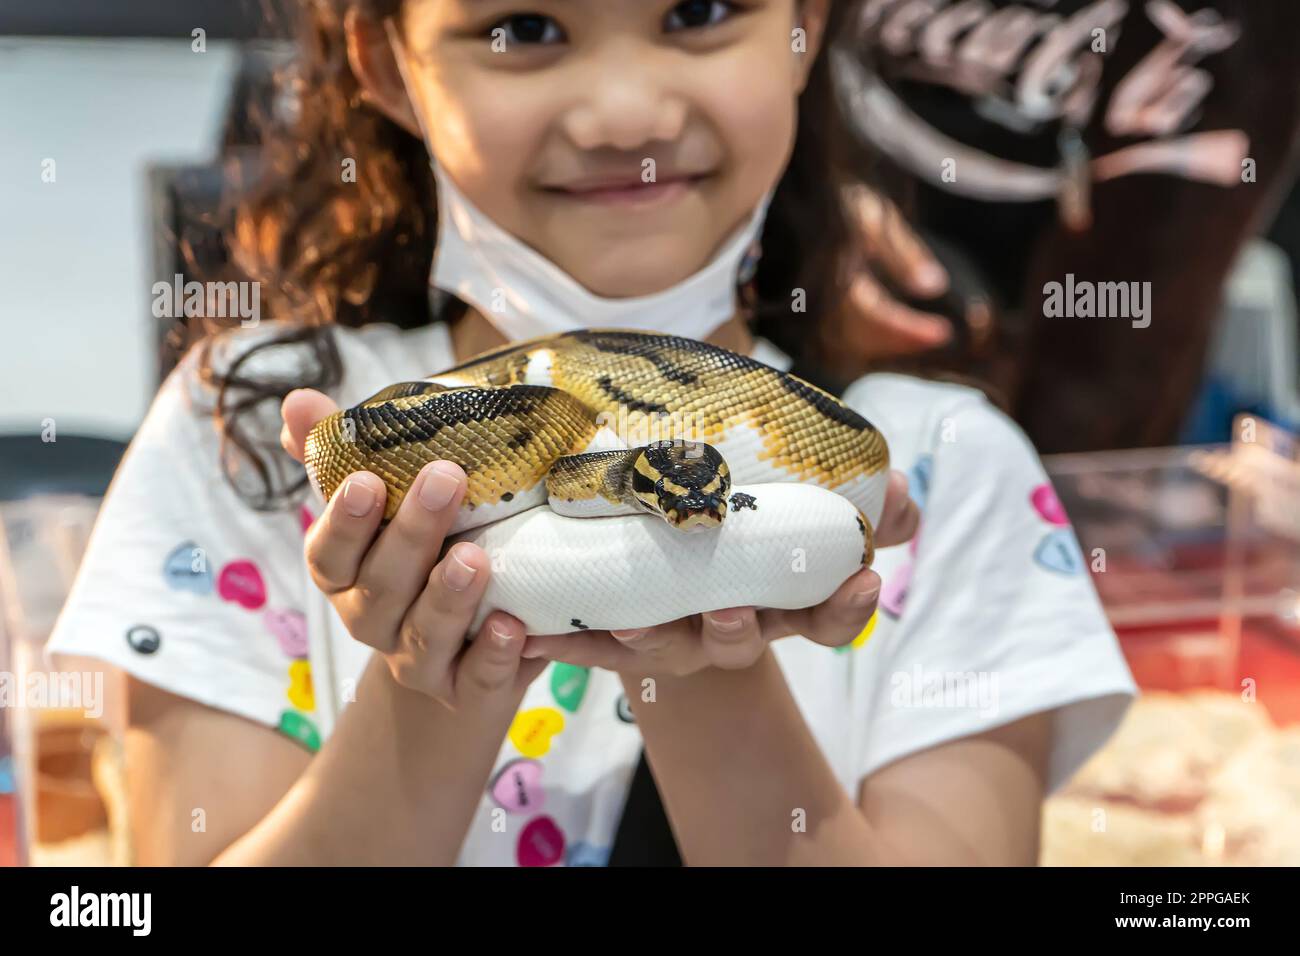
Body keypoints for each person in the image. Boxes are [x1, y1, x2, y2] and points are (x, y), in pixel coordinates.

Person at [47, 0, 1134, 866]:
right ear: (386, 64)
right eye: (523, 28)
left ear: (805, 27)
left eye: (699, 9)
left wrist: (699, 642)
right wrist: (441, 676)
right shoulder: (245, 431)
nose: (626, 112)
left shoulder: (942, 469)